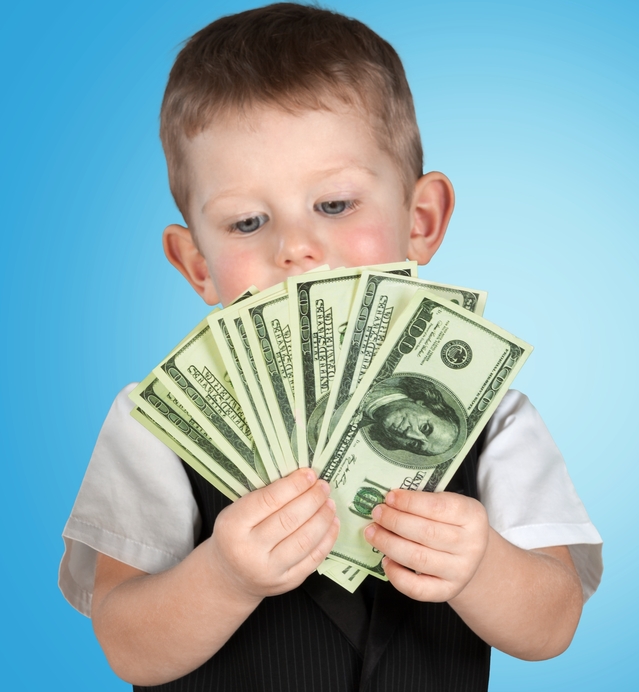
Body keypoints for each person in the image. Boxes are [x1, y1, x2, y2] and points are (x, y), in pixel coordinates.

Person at [58, 4, 602, 690]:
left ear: (422, 219)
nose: (295, 248)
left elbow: (552, 624)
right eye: (248, 221)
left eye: (335, 205)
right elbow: (127, 644)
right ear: (196, 264)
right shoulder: (158, 422)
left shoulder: (494, 416)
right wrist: (223, 577)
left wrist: (482, 566)